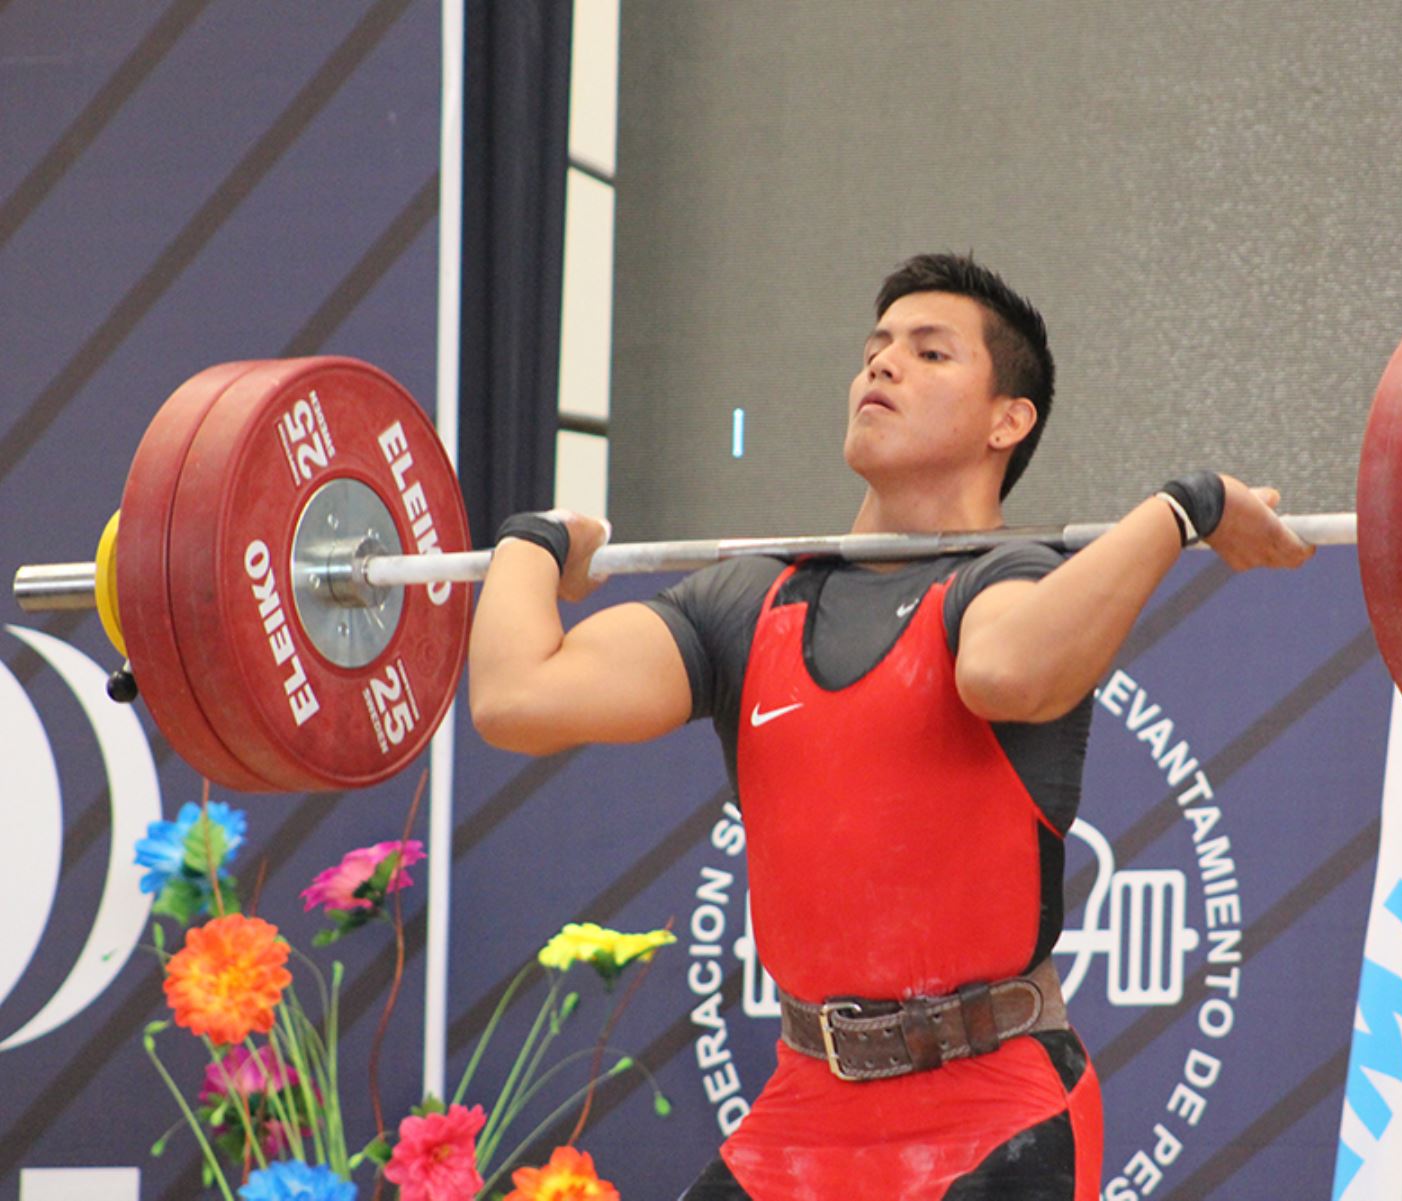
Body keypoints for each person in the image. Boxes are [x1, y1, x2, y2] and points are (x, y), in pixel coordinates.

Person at [468, 253, 1313, 1199]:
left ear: (1009, 420)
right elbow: (515, 700)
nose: (882, 365)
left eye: (929, 351)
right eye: (874, 349)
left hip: (995, 1115)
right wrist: (532, 542)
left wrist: (1180, 509)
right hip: (801, 1113)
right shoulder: (747, 603)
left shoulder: (1010, 581)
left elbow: (1007, 673)